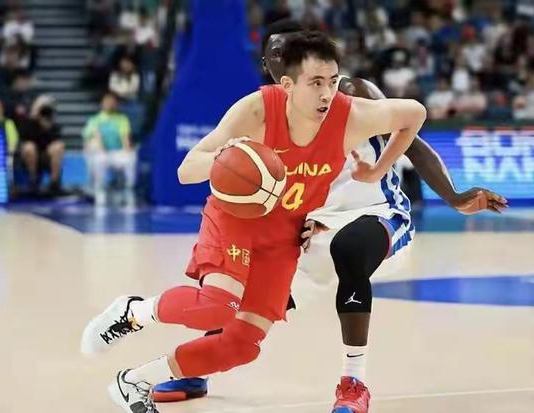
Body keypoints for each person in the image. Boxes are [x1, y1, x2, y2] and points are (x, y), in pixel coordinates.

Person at [153, 20, 508, 413]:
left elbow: (415, 141)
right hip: (314, 228)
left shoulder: (352, 95)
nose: (279, 59)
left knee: (350, 249)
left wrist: (454, 197)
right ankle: (198, 365)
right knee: (246, 302)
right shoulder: (264, 112)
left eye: (286, 50)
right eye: (272, 55)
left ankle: (354, 384)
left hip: (375, 213)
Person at [80, 31, 427, 413]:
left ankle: (135, 381)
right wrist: (234, 160)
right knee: (217, 307)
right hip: (236, 219)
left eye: (332, 81)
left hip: (285, 234)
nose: (327, 93)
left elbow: (414, 115)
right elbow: (186, 169)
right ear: (288, 85)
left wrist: (377, 169)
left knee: (242, 346)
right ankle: (132, 313)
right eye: (315, 83)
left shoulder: (351, 116)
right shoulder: (258, 110)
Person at [82, 92, 136, 207]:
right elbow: (91, 138)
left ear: (116, 104)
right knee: (99, 158)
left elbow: (125, 138)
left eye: (112, 102)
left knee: (131, 158)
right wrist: (100, 149)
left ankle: (129, 188)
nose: (109, 104)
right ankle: (98, 189)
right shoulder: (95, 120)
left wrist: (128, 150)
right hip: (101, 153)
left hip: (117, 152)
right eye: (107, 101)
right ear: (102, 103)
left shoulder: (122, 119)